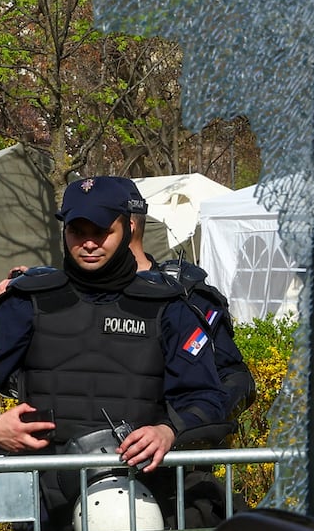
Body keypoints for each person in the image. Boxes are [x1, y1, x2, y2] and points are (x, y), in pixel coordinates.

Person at [0, 177, 233, 531]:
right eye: (77, 231)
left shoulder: (169, 308)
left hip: (147, 513)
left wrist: (169, 431)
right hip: (53, 515)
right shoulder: (27, 302)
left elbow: (211, 400)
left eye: (101, 231)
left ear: (128, 228)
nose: (89, 243)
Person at [110, 176, 258, 421]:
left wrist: (186, 425)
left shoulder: (187, 294)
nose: (86, 241)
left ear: (129, 227)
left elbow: (236, 378)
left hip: (171, 452)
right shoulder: (68, 296)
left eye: (96, 227)